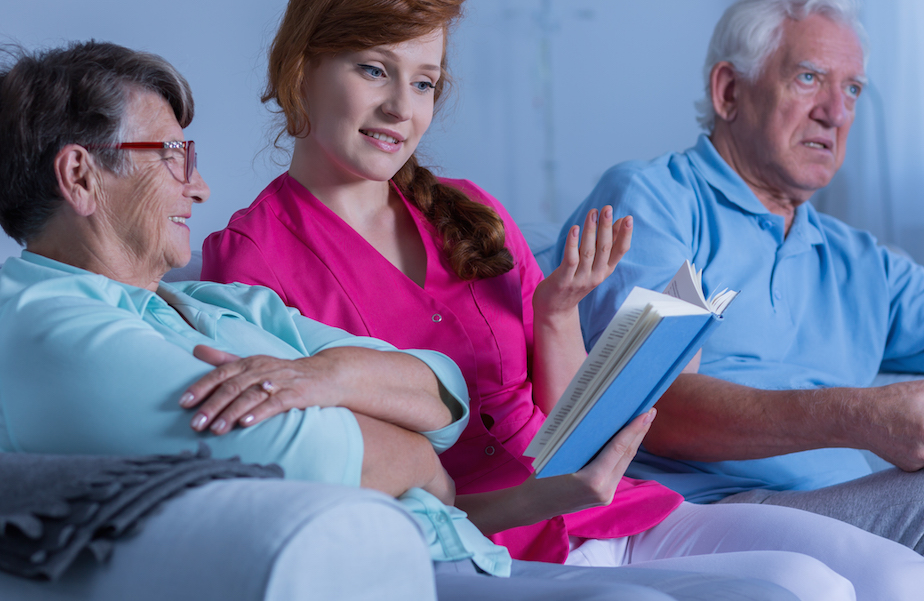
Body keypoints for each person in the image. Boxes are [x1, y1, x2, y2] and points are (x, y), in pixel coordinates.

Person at [200, 0, 924, 601]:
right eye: (374, 70)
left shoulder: (470, 211)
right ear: (299, 70)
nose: (403, 106)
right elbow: (340, 466)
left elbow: (564, 431)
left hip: (608, 509)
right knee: (807, 588)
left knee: (910, 580)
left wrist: (559, 314)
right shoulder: (249, 260)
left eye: (425, 81)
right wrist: (536, 495)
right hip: (493, 540)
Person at [0, 41, 830, 601]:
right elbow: (316, 449)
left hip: (488, 539)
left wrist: (323, 380)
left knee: (798, 584)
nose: (199, 184)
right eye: (172, 155)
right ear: (80, 174)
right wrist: (397, 438)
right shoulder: (43, 324)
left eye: (425, 80)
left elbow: (445, 393)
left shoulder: (207, 307)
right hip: (441, 553)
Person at [557, 0, 924, 600]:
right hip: (700, 511)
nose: (837, 112)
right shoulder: (655, 203)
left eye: (852, 89)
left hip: (838, 509)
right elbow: (651, 406)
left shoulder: (858, 259)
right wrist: (860, 417)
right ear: (730, 90)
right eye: (810, 78)